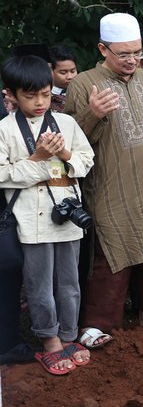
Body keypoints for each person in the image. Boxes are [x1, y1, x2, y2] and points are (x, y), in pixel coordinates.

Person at [64, 13, 143, 346]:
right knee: (113, 251)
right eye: (124, 53)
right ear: (103, 49)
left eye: (138, 52)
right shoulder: (83, 84)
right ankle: (97, 325)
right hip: (111, 184)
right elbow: (70, 143)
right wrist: (94, 113)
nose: (133, 59)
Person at [0, 55, 95, 374]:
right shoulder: (4, 129)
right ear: (10, 95)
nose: (40, 102)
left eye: (45, 93)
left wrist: (64, 153)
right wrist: (39, 157)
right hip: (30, 221)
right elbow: (2, 174)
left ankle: (69, 335)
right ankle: (50, 340)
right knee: (39, 285)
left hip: (67, 217)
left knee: (69, 283)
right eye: (30, 95)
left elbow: (86, 161)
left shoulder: (66, 123)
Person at [49, 45, 78, 113]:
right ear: (51, 71)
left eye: (73, 71)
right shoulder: (45, 96)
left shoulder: (83, 91)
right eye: (63, 72)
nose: (70, 76)